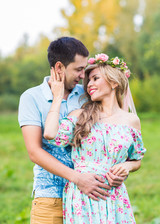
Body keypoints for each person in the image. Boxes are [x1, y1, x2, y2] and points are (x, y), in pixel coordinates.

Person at [18, 38, 127, 224]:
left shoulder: (89, 95)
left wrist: (123, 168)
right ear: (59, 67)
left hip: (90, 198)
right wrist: (78, 179)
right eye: (78, 70)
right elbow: (35, 152)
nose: (83, 76)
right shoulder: (31, 97)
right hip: (51, 197)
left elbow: (116, 132)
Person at [44, 53, 146, 224]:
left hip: (115, 196)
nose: (89, 84)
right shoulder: (80, 116)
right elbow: (50, 134)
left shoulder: (131, 121)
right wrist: (57, 97)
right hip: (82, 195)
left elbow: (137, 159)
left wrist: (126, 166)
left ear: (114, 82)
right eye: (88, 81)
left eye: (95, 78)